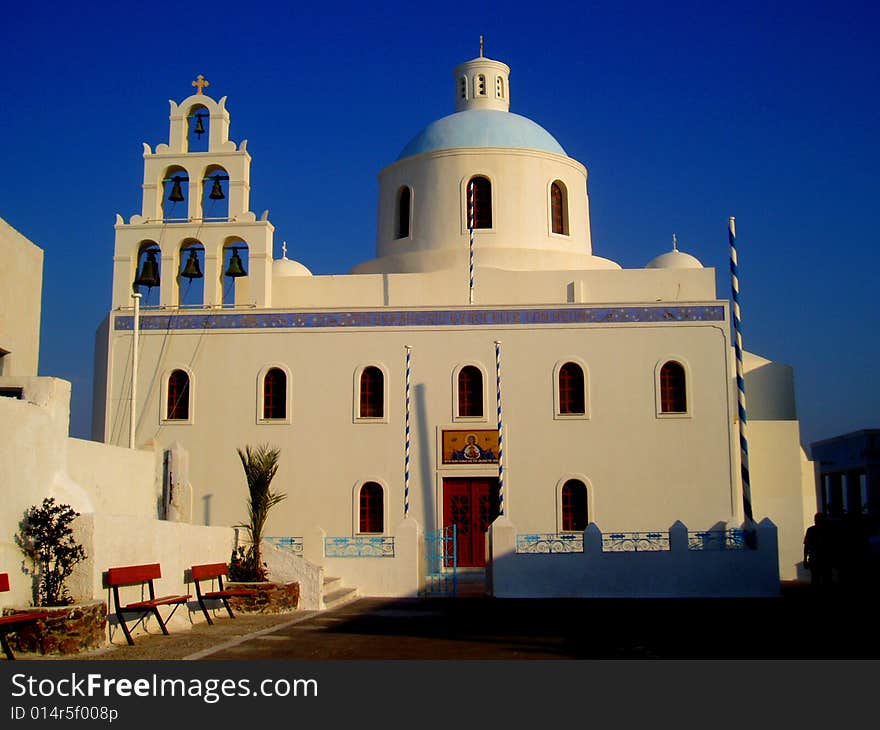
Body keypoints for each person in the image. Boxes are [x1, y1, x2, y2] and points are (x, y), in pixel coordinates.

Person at [804, 513, 831, 588]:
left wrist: (805, 559)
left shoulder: (826, 531)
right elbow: (806, 545)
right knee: (817, 580)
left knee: (821, 580)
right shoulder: (811, 530)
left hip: (822, 559)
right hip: (817, 558)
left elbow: (806, 546)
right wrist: (805, 558)